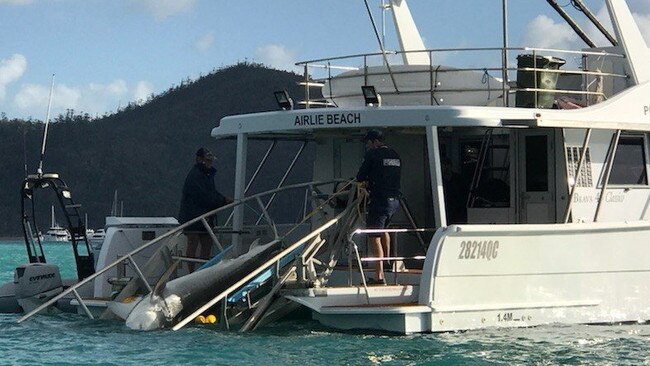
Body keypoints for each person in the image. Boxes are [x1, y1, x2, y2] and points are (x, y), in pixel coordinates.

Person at [356, 130, 401, 285]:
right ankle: (387, 263)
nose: (367, 146)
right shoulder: (395, 154)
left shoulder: (373, 155)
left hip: (379, 200)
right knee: (384, 230)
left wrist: (365, 183)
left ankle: (379, 276)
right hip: (394, 201)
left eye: (368, 142)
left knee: (374, 236)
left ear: (375, 141)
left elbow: (360, 176)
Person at [178, 147, 233, 272]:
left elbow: (211, 193)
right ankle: (191, 272)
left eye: (211, 161)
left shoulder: (206, 175)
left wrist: (222, 199)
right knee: (193, 240)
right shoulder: (195, 175)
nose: (209, 163)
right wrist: (222, 201)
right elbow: (203, 195)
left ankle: (204, 270)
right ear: (199, 159)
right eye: (207, 160)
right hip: (192, 215)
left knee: (207, 241)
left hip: (204, 215)